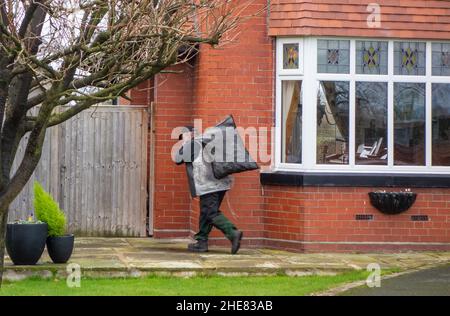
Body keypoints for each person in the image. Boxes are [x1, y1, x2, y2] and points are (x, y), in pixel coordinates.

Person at [173, 126, 243, 254]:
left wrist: (186, 142)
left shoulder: (194, 144)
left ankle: (233, 233)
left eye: (182, 137)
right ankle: (201, 242)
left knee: (210, 213)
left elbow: (178, 159)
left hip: (209, 185)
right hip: (222, 182)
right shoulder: (208, 140)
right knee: (207, 212)